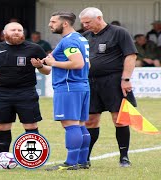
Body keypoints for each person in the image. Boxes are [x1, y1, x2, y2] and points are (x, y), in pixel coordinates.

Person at [0, 22, 51, 165]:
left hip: (26, 93)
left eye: (19, 30)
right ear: (5, 33)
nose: (17, 32)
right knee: (2, 126)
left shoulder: (34, 48)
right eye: (13, 30)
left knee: (30, 126)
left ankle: (33, 159)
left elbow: (47, 70)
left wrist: (40, 66)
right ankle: (2, 158)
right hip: (2, 93)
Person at [79, 7, 138, 167]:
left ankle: (124, 157)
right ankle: (85, 158)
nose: (85, 26)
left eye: (88, 22)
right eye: (83, 23)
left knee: (119, 119)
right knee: (90, 121)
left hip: (113, 81)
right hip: (90, 82)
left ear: (99, 18)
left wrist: (126, 78)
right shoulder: (84, 37)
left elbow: (130, 55)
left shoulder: (119, 32)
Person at [43, 11, 91, 171]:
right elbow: (87, 64)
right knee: (80, 125)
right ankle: (83, 161)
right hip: (81, 86)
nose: (50, 24)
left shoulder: (68, 42)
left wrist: (53, 62)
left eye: (53, 21)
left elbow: (78, 64)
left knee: (70, 125)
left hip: (69, 87)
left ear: (65, 24)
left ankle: (71, 163)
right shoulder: (81, 39)